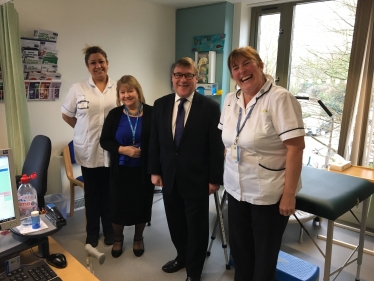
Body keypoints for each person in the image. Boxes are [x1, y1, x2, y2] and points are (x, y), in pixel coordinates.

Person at [219, 46, 305, 281]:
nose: (241, 71)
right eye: (235, 68)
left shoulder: (280, 98)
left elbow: (296, 148)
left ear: (260, 65)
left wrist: (289, 195)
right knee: (241, 253)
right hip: (236, 190)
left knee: (264, 258)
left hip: (269, 193)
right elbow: (227, 141)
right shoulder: (230, 99)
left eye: (246, 64)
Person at [148, 57, 224, 281]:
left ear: (196, 78)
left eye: (188, 75)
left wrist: (214, 179)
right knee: (176, 223)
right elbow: (155, 141)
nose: (183, 79)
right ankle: (182, 256)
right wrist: (154, 170)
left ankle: (194, 271)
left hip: (197, 180)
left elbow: (215, 146)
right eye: (178, 75)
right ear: (172, 78)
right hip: (169, 177)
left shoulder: (210, 107)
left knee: (196, 228)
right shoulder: (160, 105)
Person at [61, 46, 116, 247]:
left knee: (109, 193)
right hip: (88, 150)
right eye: (93, 62)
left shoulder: (117, 88)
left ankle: (110, 230)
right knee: (92, 194)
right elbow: (66, 114)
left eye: (101, 61)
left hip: (111, 151)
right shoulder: (78, 89)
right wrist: (81, 129)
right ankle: (92, 232)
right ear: (88, 66)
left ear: (107, 63)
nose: (98, 66)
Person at [100, 75, 154, 258]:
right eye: (122, 92)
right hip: (120, 170)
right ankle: (118, 239)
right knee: (117, 206)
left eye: (130, 90)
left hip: (143, 170)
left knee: (142, 205)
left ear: (138, 91)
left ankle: (138, 238)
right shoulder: (115, 114)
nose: (126, 95)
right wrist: (122, 149)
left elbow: (158, 141)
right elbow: (104, 140)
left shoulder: (151, 113)